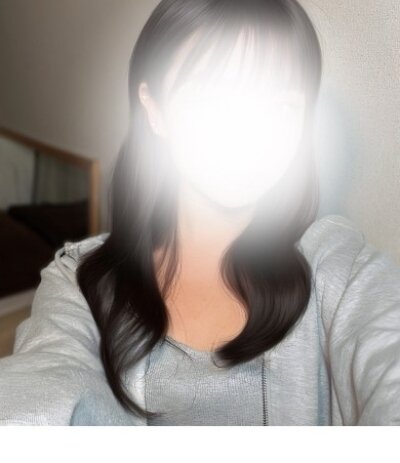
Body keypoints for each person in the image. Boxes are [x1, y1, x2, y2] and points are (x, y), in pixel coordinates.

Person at [1, 0, 400, 426]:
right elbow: (41, 393)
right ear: (154, 109)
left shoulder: (339, 267)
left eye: (281, 106)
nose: (247, 133)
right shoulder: (79, 284)